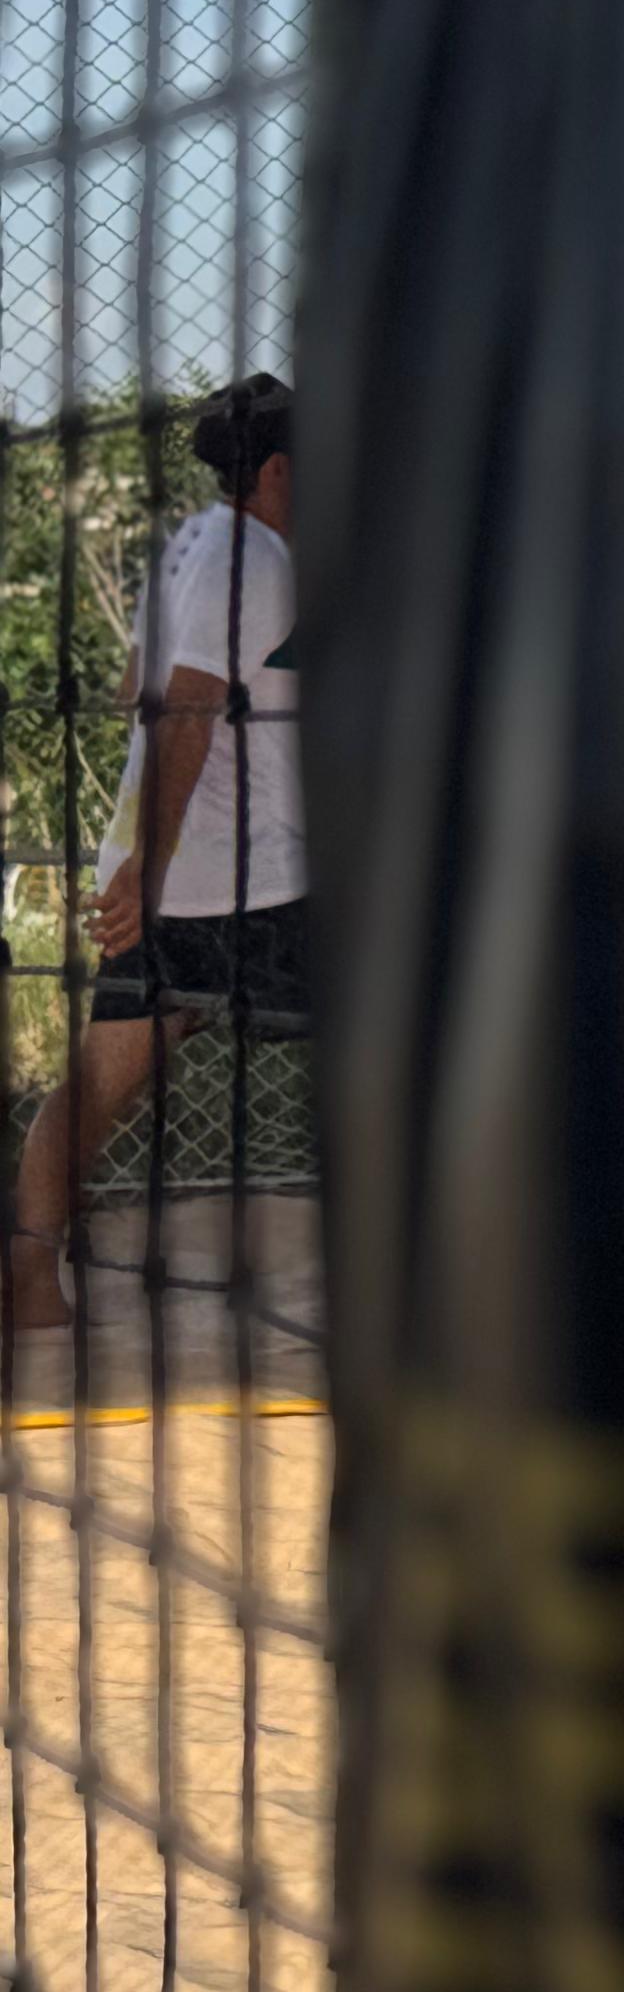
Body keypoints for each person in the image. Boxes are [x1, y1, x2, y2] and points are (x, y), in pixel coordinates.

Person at [7, 375, 304, 1334]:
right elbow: (182, 713)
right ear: (277, 470)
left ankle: (24, 1275)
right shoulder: (253, 558)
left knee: (99, 1083)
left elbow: (140, 685)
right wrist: (153, 868)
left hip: (188, 876)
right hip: (233, 883)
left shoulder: (185, 546)